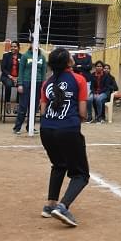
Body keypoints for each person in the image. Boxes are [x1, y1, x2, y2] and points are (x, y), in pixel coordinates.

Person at [39, 47, 90, 228]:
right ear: (68, 62)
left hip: (46, 130)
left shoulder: (47, 83)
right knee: (81, 175)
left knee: (59, 164)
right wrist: (76, 120)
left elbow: (43, 111)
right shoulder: (79, 79)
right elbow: (82, 112)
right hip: (67, 129)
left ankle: (50, 205)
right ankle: (62, 207)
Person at [13, 42, 46, 135]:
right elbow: (21, 71)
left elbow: (43, 72)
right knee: (23, 106)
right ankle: (17, 127)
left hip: (38, 83)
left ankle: (30, 126)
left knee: (34, 107)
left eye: (38, 43)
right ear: (31, 45)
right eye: (34, 43)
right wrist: (20, 84)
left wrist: (43, 85)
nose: (36, 45)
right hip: (26, 82)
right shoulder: (25, 56)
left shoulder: (42, 57)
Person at [0, 40, 22, 114]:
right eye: (12, 46)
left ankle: (17, 105)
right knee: (8, 84)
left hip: (18, 77)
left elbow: (23, 69)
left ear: (18, 48)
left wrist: (18, 77)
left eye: (15, 46)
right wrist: (11, 77)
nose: (13, 48)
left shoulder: (22, 57)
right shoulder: (6, 56)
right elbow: (3, 68)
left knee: (21, 85)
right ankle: (7, 104)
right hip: (7, 76)